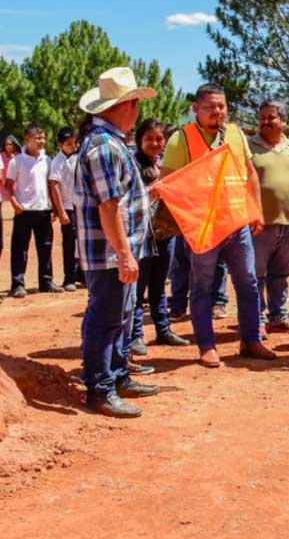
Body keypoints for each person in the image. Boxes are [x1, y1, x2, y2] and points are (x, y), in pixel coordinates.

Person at [159, 83, 276, 368]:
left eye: (221, 106)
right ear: (195, 108)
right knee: (202, 286)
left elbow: (249, 174)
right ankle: (207, 346)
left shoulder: (235, 134)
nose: (217, 112)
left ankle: (251, 339)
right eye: (210, 107)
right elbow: (169, 184)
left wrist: (256, 210)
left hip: (237, 223)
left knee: (248, 282)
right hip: (204, 228)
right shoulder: (181, 139)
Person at [75, 66, 160, 417]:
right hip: (110, 253)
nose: (138, 111)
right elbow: (108, 207)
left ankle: (117, 375)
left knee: (121, 315)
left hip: (116, 251)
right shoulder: (104, 146)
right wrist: (124, 255)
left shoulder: (110, 143)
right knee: (107, 317)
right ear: (125, 106)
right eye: (135, 104)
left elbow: (117, 200)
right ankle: (100, 389)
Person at [249, 100, 289, 334]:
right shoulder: (249, 146)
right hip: (258, 224)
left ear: (283, 122)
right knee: (256, 276)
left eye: (271, 117)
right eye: (262, 117)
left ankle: (278, 317)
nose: (265, 121)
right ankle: (256, 320)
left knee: (281, 274)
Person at [129, 118, 190, 354]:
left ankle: (163, 330)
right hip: (141, 235)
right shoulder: (132, 164)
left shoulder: (164, 164)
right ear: (139, 140)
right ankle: (136, 336)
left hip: (164, 234)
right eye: (149, 139)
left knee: (158, 285)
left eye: (159, 138)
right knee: (138, 288)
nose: (155, 143)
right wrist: (155, 186)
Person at [6, 123, 60, 297]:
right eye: (37, 138)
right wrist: (14, 203)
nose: (41, 141)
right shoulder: (17, 161)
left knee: (45, 247)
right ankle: (17, 284)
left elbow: (51, 186)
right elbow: (7, 186)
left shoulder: (48, 160)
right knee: (20, 249)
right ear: (27, 139)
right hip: (24, 211)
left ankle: (46, 281)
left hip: (43, 210)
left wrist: (54, 207)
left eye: (43, 138)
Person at [48, 127, 83, 291]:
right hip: (68, 208)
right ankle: (69, 277)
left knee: (82, 242)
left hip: (82, 206)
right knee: (69, 244)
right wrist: (60, 211)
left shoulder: (79, 157)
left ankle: (82, 275)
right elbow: (54, 185)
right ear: (60, 145)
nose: (73, 146)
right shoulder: (57, 161)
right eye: (69, 144)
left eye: (75, 143)